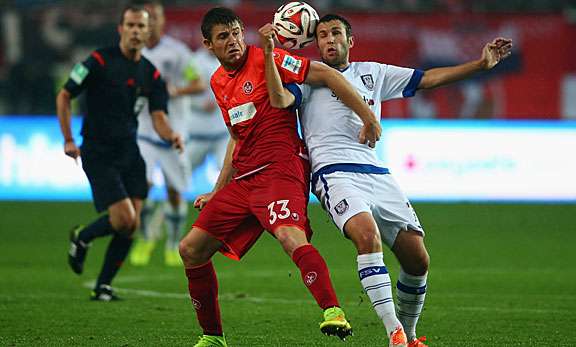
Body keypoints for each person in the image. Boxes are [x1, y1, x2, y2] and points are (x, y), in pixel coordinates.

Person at [263, 14, 512, 347]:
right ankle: (393, 331)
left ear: (350, 41)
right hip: (333, 173)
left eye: (336, 33)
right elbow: (279, 99)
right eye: (322, 35)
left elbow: (428, 79)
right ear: (315, 42)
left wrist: (480, 65)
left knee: (417, 259)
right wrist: (267, 52)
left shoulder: (374, 73)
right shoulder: (309, 78)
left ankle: (409, 337)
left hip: (377, 173)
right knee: (367, 235)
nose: (329, 40)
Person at [177, 7, 383, 347]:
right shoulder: (217, 81)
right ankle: (213, 338)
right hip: (245, 179)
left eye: (236, 33)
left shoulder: (268, 58)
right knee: (191, 250)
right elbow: (236, 136)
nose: (234, 42)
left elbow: (328, 76)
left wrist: (367, 117)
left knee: (290, 236)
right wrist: (218, 190)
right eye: (223, 37)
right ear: (208, 45)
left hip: (280, 169)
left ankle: (332, 311)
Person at [57, 4, 183, 301]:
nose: (136, 31)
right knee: (125, 219)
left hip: (130, 151)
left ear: (148, 31)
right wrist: (68, 139)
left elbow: (158, 116)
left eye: (141, 26)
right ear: (121, 29)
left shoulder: (150, 74)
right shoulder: (99, 60)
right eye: (131, 26)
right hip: (99, 152)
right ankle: (83, 236)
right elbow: (65, 95)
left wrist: (170, 135)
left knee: (131, 226)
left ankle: (103, 286)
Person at [130, 1, 204, 267]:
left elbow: (197, 84)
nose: (152, 22)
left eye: (156, 17)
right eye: (147, 17)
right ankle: (146, 237)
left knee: (174, 191)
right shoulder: (133, 53)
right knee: (142, 186)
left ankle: (172, 243)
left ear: (162, 21)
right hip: (143, 131)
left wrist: (175, 91)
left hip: (174, 131)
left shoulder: (178, 53)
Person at [186, 44, 228, 194]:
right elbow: (182, 93)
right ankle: (169, 209)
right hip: (197, 134)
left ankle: (229, 211)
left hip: (222, 133)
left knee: (229, 173)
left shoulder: (229, 62)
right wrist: (199, 105)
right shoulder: (192, 63)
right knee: (181, 174)